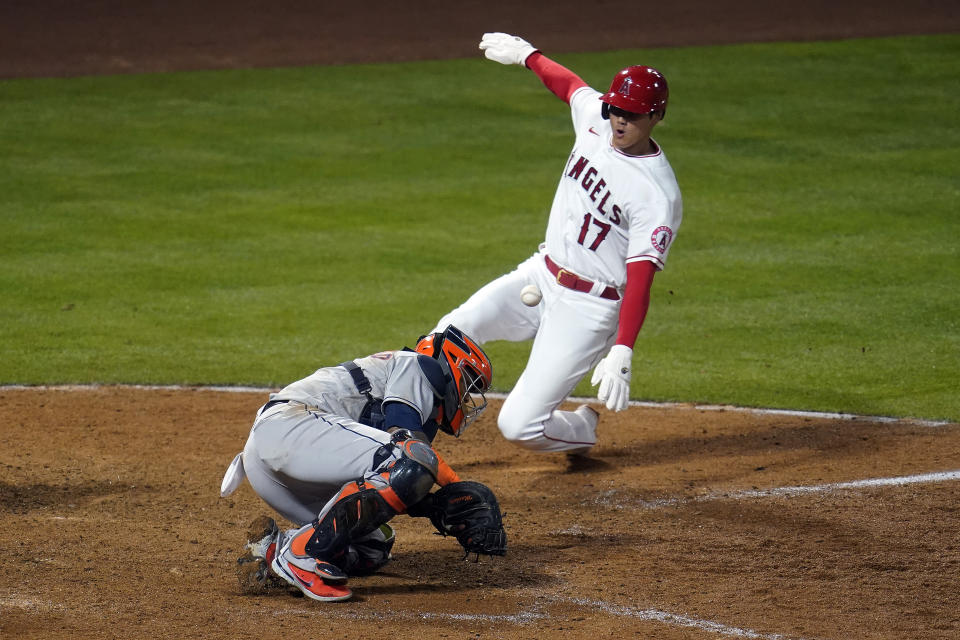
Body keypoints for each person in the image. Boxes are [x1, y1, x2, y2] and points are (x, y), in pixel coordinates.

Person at [431, 33, 682, 454]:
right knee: (445, 336)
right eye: (615, 109)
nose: (619, 120)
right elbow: (568, 85)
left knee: (519, 426)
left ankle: (581, 429)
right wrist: (529, 56)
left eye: (632, 115)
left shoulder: (657, 195)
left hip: (589, 309)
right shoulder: (596, 119)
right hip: (540, 274)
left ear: (656, 116)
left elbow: (640, 279)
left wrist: (623, 347)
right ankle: (403, 444)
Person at [219, 325, 496, 602]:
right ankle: (302, 553)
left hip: (272, 464)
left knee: (372, 546)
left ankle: (276, 550)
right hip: (290, 428)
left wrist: (437, 508)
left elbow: (392, 481)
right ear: (450, 364)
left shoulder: (421, 407)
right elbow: (406, 444)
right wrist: (455, 487)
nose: (466, 396)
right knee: (411, 459)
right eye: (468, 382)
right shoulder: (420, 366)